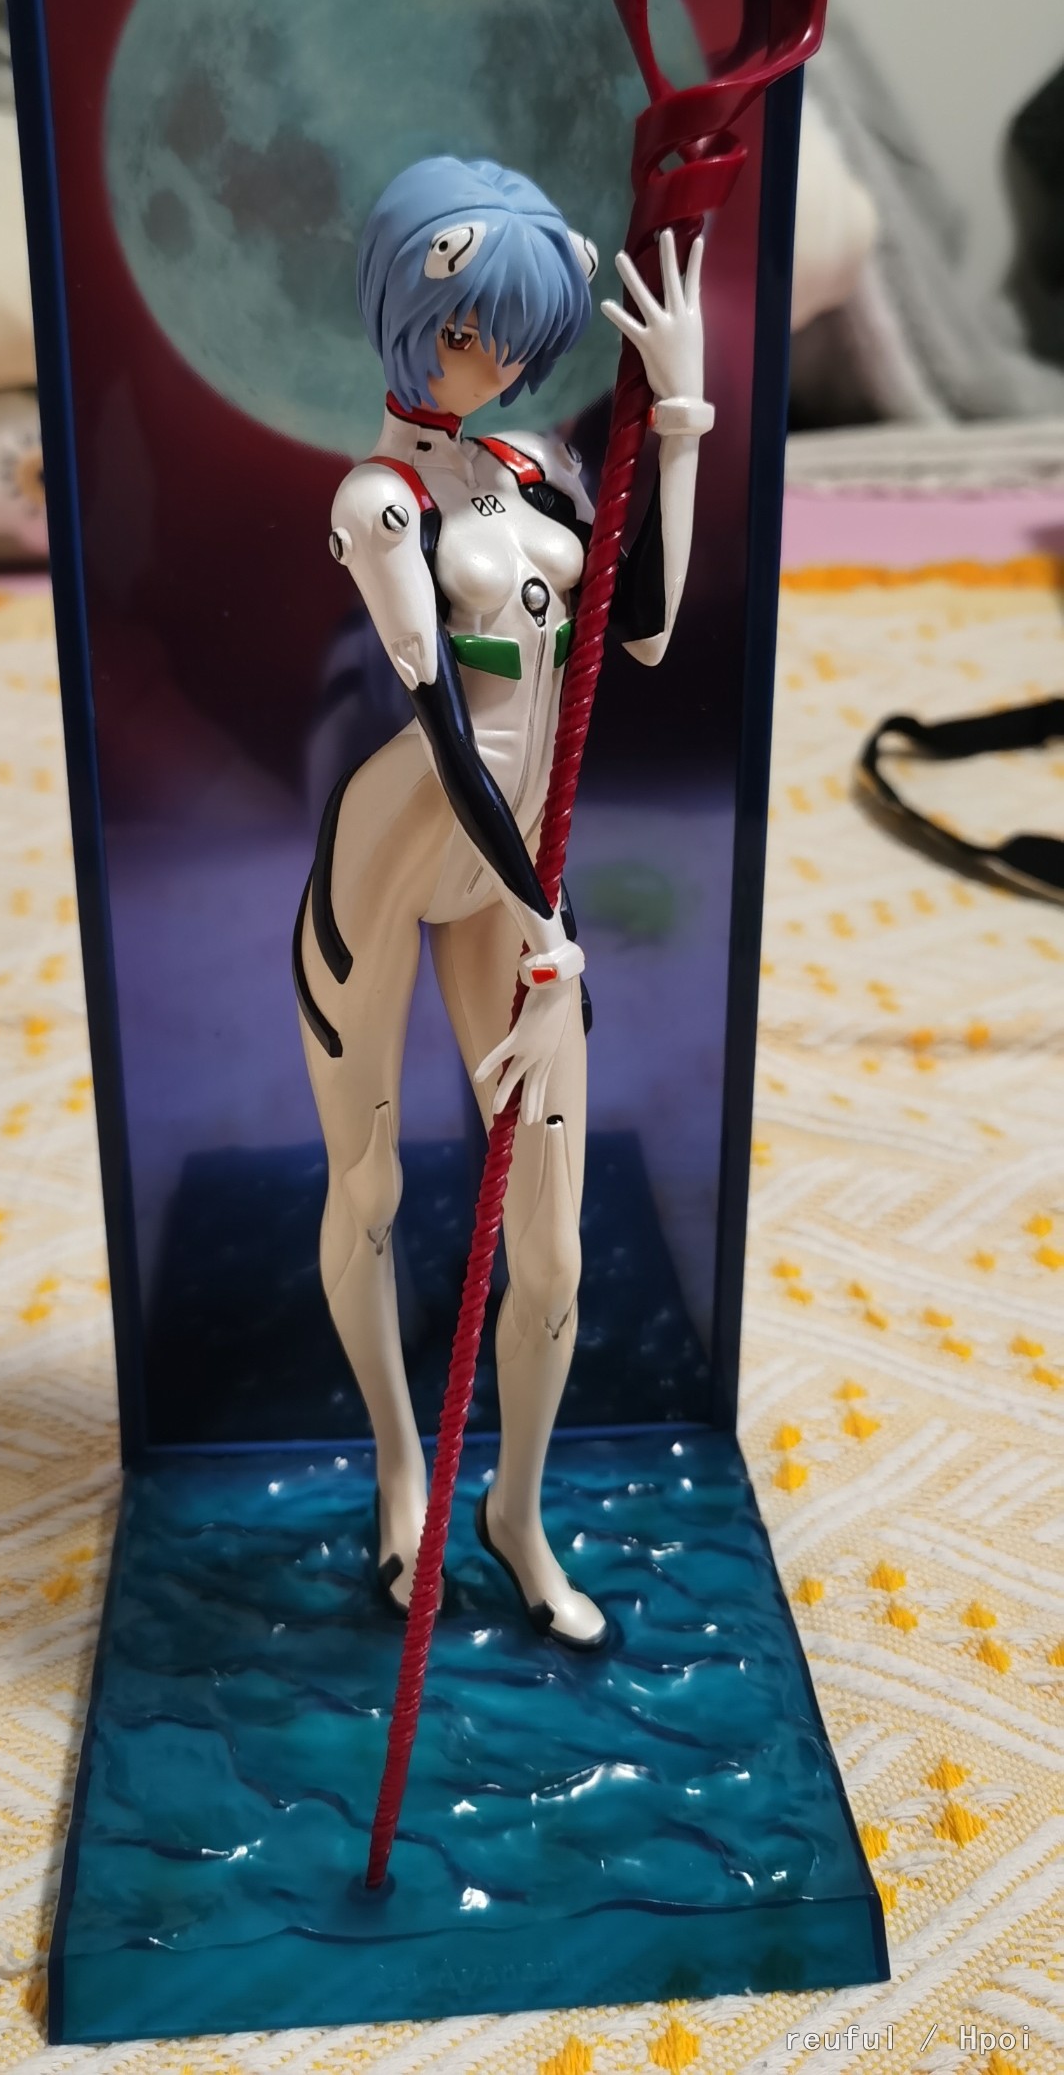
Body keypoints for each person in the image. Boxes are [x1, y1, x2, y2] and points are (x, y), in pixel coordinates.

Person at [293, 154, 711, 1647]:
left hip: (516, 886)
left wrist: (679, 415)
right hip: (398, 854)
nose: (498, 360)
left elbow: (640, 632)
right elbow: (444, 731)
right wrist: (550, 925)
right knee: (370, 1189)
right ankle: (403, 1470)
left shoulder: (534, 469)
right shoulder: (379, 502)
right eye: (473, 328)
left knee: (553, 1251)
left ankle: (516, 1511)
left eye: (520, 336)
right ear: (410, 312)